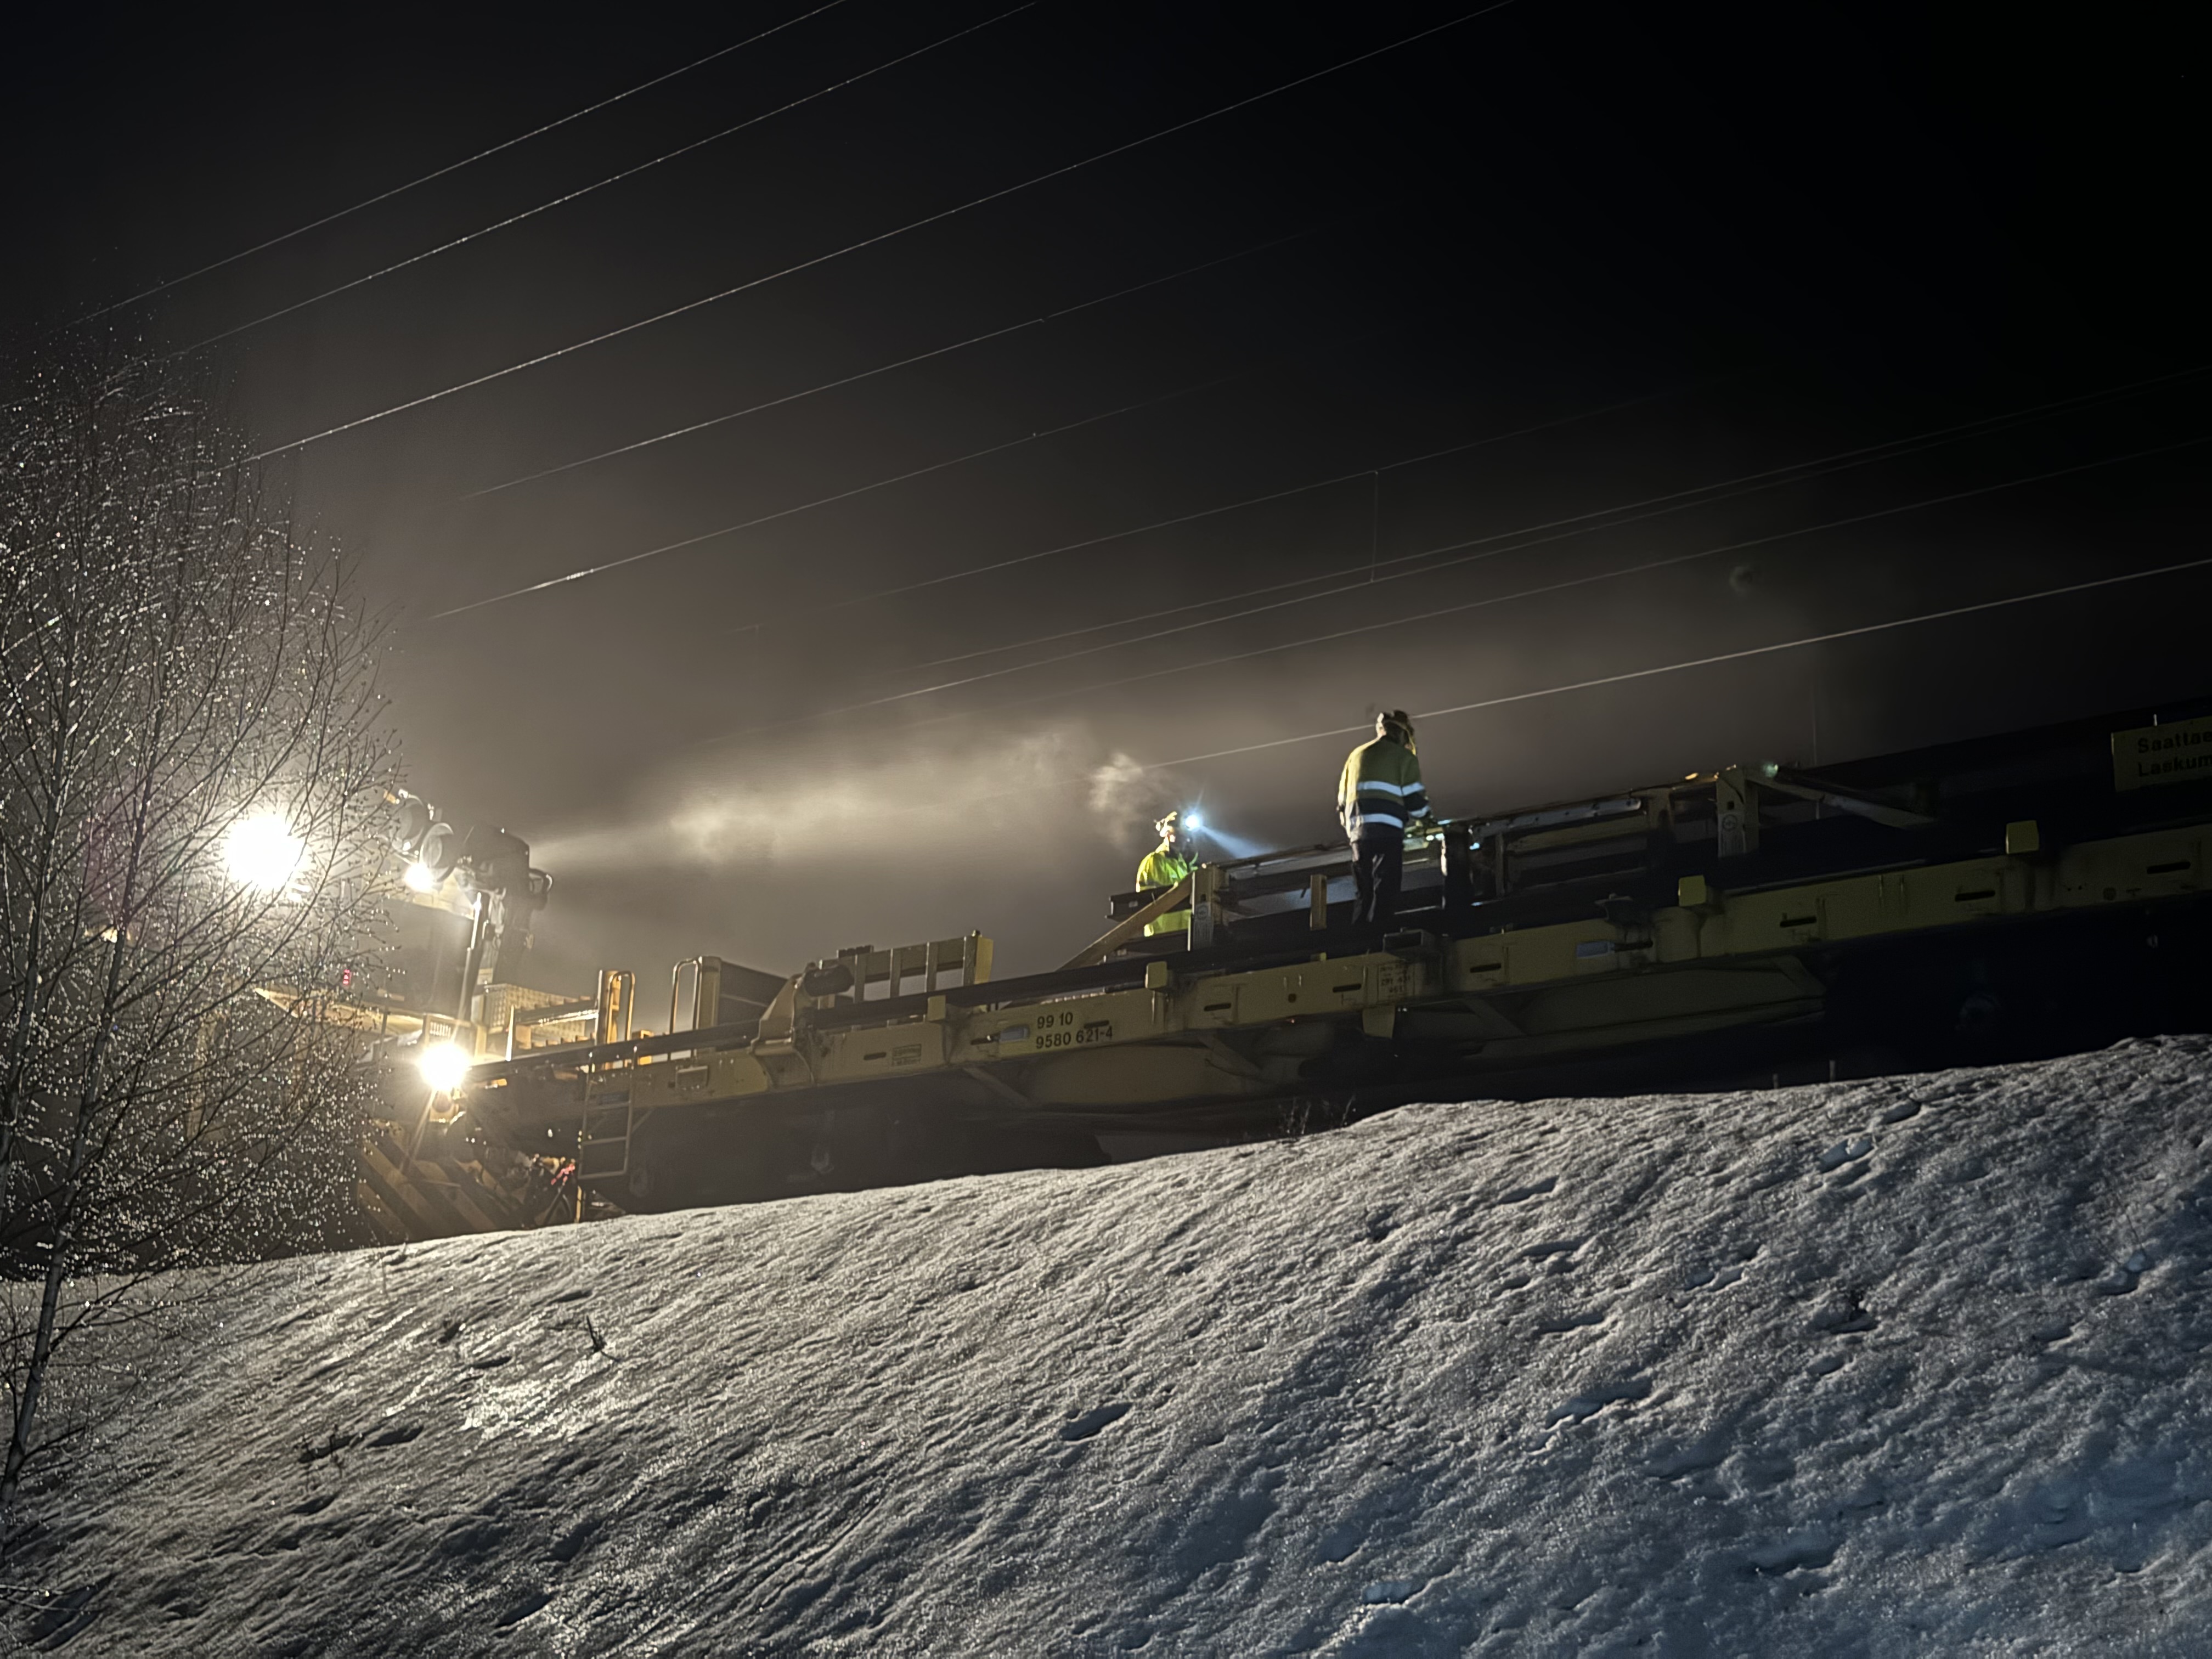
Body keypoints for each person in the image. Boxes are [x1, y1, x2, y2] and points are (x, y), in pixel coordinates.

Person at [1338, 709, 1429, 929]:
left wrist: (1353, 832)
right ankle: (1380, 933)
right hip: (1388, 832)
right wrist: (1427, 820)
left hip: (1359, 835)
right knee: (1386, 886)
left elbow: (1341, 800)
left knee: (1363, 890)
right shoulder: (1404, 757)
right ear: (1403, 734)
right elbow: (1414, 800)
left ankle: (1359, 937)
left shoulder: (1356, 755)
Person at [1135, 809, 1193, 935]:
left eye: (1187, 836)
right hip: (1161, 935)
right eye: (1182, 835)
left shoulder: (1181, 864)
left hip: (1183, 935)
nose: (1186, 840)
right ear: (1168, 834)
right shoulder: (1154, 861)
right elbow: (1146, 901)